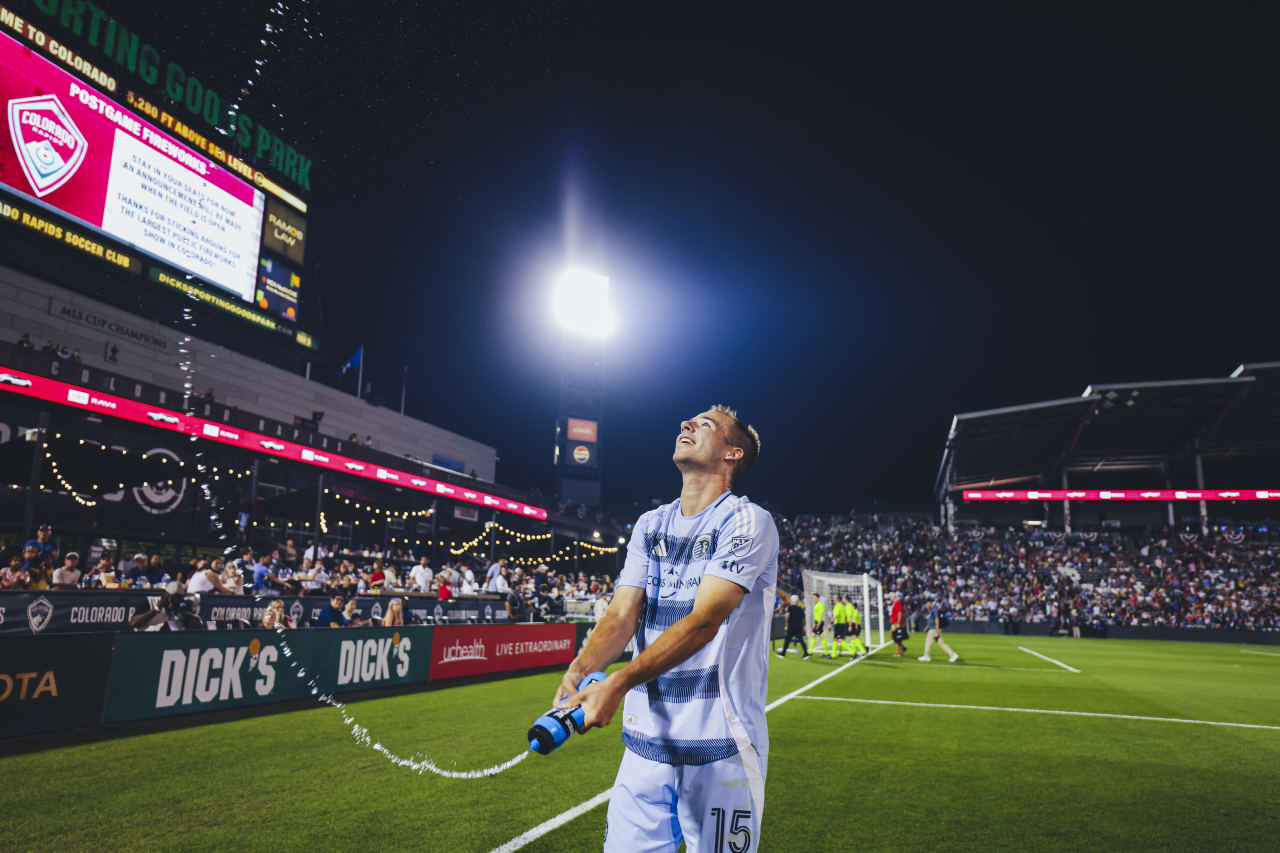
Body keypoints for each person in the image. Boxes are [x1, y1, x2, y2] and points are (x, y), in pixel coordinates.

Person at [553, 405, 775, 851]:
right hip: (644, 743)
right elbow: (621, 615)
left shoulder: (748, 521)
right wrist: (579, 671)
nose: (686, 424)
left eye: (705, 424)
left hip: (721, 747)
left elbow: (704, 621)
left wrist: (616, 683)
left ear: (732, 454)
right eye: (689, 420)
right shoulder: (650, 524)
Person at [918, 597, 959, 663]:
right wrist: (927, 627)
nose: (925, 605)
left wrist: (937, 630)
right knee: (941, 643)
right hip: (932, 628)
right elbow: (931, 620)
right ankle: (953, 655)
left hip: (934, 629)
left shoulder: (934, 608)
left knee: (928, 641)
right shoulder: (931, 609)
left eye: (926, 603)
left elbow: (937, 619)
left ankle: (927, 656)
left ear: (929, 603)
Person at [778, 594, 810, 659]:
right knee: (801, 640)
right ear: (797, 601)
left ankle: (783, 654)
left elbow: (787, 615)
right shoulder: (800, 608)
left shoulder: (790, 607)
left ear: (792, 600)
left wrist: (786, 622)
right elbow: (803, 618)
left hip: (791, 626)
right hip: (799, 626)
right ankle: (806, 653)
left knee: (787, 640)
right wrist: (803, 625)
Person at [889, 591, 909, 658]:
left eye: (890, 597)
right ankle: (903, 647)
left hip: (897, 622)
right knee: (892, 635)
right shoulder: (895, 603)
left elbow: (899, 612)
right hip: (894, 622)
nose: (890, 598)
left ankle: (899, 652)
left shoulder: (898, 602)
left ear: (894, 596)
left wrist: (899, 622)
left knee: (896, 636)